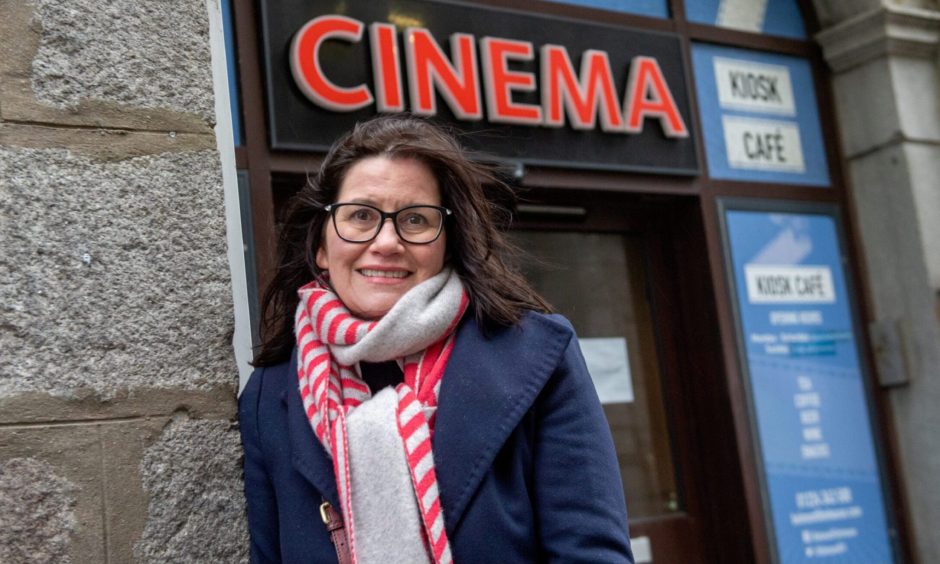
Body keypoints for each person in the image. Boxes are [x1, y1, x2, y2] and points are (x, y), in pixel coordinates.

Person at [239, 114, 634, 563]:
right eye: (361, 216)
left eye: (416, 220)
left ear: (448, 242)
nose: (386, 241)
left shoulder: (538, 358)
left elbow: (590, 554)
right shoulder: (269, 397)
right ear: (321, 248)